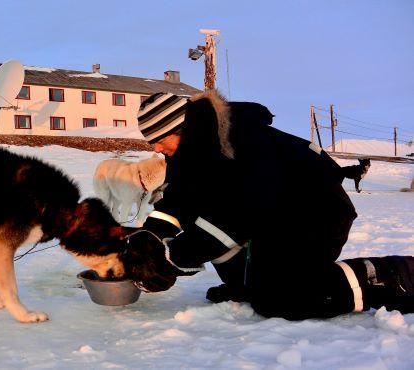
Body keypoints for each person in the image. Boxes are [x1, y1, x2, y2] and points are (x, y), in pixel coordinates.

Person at [122, 91, 414, 320]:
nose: (156, 148)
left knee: (282, 299)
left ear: (183, 128)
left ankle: (396, 276)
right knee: (241, 266)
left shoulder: (245, 140)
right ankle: (246, 286)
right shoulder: (188, 153)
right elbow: (180, 200)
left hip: (316, 212)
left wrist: (176, 255)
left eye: (159, 139)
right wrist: (150, 237)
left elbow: (241, 213)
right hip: (274, 217)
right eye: (151, 142)